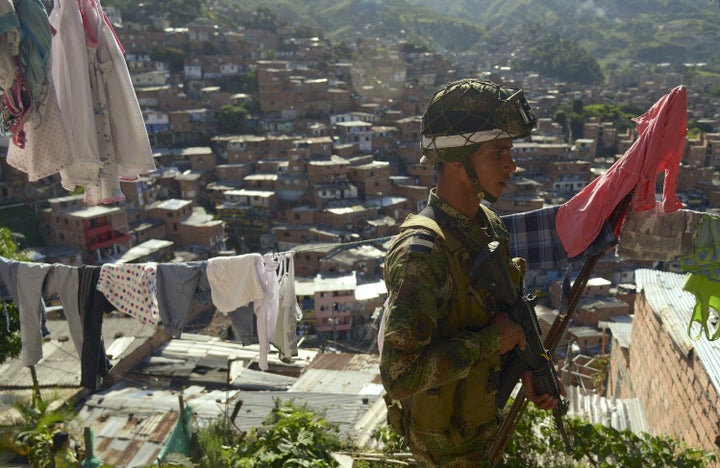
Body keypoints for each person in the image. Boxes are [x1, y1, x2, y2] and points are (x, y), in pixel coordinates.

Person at [379, 78, 562, 467]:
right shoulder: (422, 254)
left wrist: (525, 369)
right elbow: (399, 377)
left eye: (509, 151)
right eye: (498, 153)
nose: (511, 165)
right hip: (442, 451)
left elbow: (502, 318)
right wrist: (492, 342)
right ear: (457, 161)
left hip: (482, 433)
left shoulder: (488, 227)